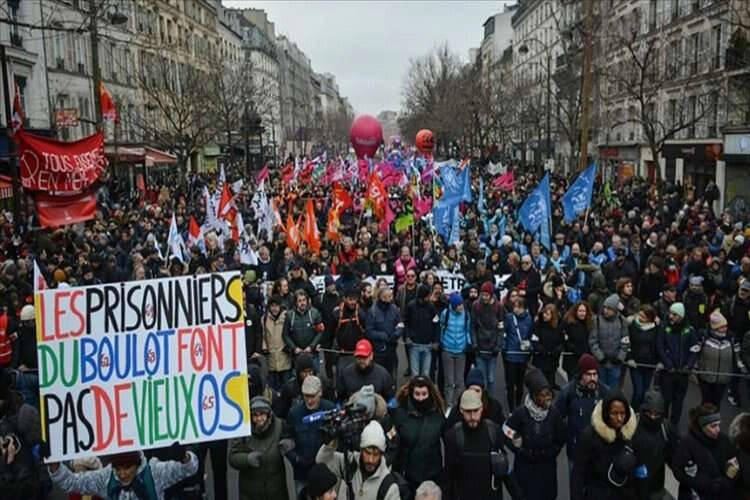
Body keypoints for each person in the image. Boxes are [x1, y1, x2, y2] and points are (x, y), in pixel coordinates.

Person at [443, 389, 523, 500]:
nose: (472, 416)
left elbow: (503, 468)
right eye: (467, 412)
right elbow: (448, 477)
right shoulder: (453, 437)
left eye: (475, 411)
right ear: (461, 411)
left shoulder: (494, 432)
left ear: (482, 409)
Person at [503, 368, 565, 500]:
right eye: (543, 395)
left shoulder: (554, 414)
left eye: (549, 394)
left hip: (546, 469)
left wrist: (552, 452)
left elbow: (561, 437)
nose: (547, 398)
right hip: (525, 469)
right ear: (534, 396)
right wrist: (519, 449)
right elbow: (506, 433)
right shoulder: (520, 414)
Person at [571, 388, 645, 500]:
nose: (619, 418)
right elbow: (579, 473)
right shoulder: (590, 436)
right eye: (614, 413)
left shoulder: (631, 435)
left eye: (623, 413)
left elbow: (639, 469)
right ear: (606, 413)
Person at [49, 448, 199, 500]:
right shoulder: (106, 478)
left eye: (127, 467)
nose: (122, 474)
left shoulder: (155, 473)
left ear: (137, 464)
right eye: (118, 468)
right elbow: (72, 483)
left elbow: (190, 469)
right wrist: (55, 465)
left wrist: (183, 457)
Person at [228, 396, 293, 500]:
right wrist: (246, 459)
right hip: (250, 492)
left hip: (276, 491)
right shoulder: (242, 429)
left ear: (268, 414)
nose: (258, 419)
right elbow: (232, 457)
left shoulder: (280, 426)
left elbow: (291, 439)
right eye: (254, 415)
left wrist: (289, 444)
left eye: (262, 414)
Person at [316, 420, 401, 500]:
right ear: (361, 450)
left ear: (381, 454)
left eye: (375, 455)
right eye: (367, 453)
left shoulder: (389, 487)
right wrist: (331, 443)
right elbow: (321, 460)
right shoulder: (350, 462)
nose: (370, 460)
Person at [554, 354, 610, 474]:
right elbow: (556, 418)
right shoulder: (568, 393)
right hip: (576, 451)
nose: (592, 378)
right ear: (581, 375)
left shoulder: (605, 392)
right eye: (588, 375)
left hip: (598, 451)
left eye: (595, 374)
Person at [283, 375, 336, 494]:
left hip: (325, 472)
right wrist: (296, 459)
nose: (309, 400)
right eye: (306, 396)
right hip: (302, 474)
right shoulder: (294, 412)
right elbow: (285, 441)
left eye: (313, 396)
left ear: (320, 392)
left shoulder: (330, 410)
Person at [673, 403, 736, 500]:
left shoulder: (723, 440)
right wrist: (698, 482)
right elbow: (678, 470)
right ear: (702, 426)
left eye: (719, 425)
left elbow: (733, 461)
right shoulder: (687, 443)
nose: (718, 430)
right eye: (713, 426)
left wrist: (725, 480)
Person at [391, 376, 445, 490]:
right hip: (407, 478)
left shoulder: (438, 416)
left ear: (430, 394)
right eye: (417, 394)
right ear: (411, 393)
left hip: (432, 477)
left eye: (424, 394)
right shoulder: (400, 414)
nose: (421, 398)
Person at [657, 302, 700, 427]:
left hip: (683, 373)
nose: (671, 316)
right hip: (668, 372)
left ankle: (673, 426)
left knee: (678, 401)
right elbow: (660, 347)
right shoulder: (664, 328)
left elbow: (694, 349)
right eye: (671, 313)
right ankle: (663, 424)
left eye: (675, 314)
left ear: (681, 316)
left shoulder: (689, 330)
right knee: (666, 399)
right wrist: (668, 364)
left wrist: (689, 365)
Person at [631, 389, 679, 500]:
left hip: (655, 485)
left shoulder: (666, 428)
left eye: (657, 414)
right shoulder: (632, 425)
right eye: (649, 413)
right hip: (633, 484)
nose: (652, 417)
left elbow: (674, 454)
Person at [695, 310, 735, 409]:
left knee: (717, 403)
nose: (725, 329)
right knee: (706, 403)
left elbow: (737, 356)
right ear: (715, 327)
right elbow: (696, 352)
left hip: (723, 378)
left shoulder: (731, 338)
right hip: (706, 376)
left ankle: (714, 423)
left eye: (726, 326)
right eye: (722, 327)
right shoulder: (704, 337)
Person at [470, 281, 503, 397]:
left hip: (492, 347)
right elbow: (472, 327)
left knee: (491, 378)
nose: (484, 297)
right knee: (482, 379)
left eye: (486, 295)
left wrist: (498, 346)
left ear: (491, 295)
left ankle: (491, 402)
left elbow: (501, 328)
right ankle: (481, 402)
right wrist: (474, 344)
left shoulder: (498, 307)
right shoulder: (476, 306)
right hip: (480, 346)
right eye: (482, 294)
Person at [589, 294, 629, 388]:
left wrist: (620, 357)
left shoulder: (622, 321)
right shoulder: (597, 320)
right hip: (601, 363)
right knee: (601, 388)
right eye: (605, 307)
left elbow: (625, 341)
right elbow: (593, 341)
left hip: (615, 364)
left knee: (613, 390)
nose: (606, 311)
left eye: (609, 308)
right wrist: (600, 357)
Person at [440, 293, 471, 406]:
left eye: (462, 304)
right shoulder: (446, 313)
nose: (461, 307)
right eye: (458, 305)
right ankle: (449, 405)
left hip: (461, 351)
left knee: (460, 381)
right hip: (447, 350)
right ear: (453, 306)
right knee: (449, 381)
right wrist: (441, 342)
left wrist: (468, 343)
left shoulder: (466, 315)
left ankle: (457, 404)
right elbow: (442, 327)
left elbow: (467, 330)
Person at [283, 290, 326, 372]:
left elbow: (320, 332)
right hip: (297, 355)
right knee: (298, 379)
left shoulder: (314, 313)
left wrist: (311, 346)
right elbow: (285, 335)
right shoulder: (289, 316)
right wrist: (294, 348)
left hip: (312, 354)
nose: (302, 303)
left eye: (304, 300)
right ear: (295, 302)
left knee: (314, 378)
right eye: (299, 301)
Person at [365, 286, 403, 378]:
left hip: (392, 350)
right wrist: (382, 336)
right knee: (379, 377)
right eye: (388, 296)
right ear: (382, 297)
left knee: (392, 378)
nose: (391, 298)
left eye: (391, 296)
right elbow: (368, 331)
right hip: (378, 352)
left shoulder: (394, 309)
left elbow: (400, 324)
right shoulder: (372, 311)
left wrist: (397, 333)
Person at [627, 304, 659, 410]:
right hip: (635, 364)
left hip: (649, 365)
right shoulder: (632, 327)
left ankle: (641, 413)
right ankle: (632, 412)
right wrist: (629, 357)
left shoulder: (656, 329)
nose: (640, 318)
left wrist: (657, 362)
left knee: (645, 392)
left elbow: (657, 346)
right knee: (638, 392)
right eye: (639, 315)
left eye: (644, 317)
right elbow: (628, 343)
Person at [503, 297, 533, 408]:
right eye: (515, 306)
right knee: (511, 384)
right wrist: (504, 348)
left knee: (520, 384)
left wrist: (529, 346)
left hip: (522, 355)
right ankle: (511, 408)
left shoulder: (529, 319)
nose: (516, 309)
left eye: (519, 307)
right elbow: (504, 333)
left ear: (524, 308)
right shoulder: (509, 318)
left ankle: (518, 405)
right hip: (511, 354)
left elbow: (530, 335)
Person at [405, 285, 439, 378]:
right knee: (415, 374)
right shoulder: (411, 306)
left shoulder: (431, 307)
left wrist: (436, 340)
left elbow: (436, 323)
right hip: (414, 344)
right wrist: (407, 337)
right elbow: (406, 323)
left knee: (426, 374)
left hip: (428, 345)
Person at [332, 286, 367, 372]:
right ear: (345, 298)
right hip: (342, 354)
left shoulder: (361, 313)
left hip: (358, 354)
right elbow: (330, 334)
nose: (353, 302)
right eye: (350, 299)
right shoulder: (337, 314)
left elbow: (367, 331)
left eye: (354, 299)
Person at [263, 295, 293, 390]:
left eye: (276, 306)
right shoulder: (264, 319)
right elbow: (263, 335)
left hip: (285, 357)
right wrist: (264, 348)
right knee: (273, 389)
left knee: (287, 387)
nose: (274, 308)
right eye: (272, 306)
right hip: (271, 359)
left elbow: (291, 333)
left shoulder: (286, 317)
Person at [532, 303, 563, 388]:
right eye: (544, 313)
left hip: (552, 359)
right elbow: (534, 340)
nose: (545, 316)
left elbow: (561, 341)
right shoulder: (538, 325)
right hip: (540, 358)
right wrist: (541, 350)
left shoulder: (558, 327)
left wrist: (557, 350)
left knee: (549, 383)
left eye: (548, 314)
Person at [562, 302, 594, 381]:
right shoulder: (568, 323)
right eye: (580, 311)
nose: (582, 313)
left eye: (584, 311)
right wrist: (576, 349)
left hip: (586, 359)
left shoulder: (590, 324)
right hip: (572, 360)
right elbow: (564, 339)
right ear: (575, 311)